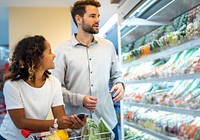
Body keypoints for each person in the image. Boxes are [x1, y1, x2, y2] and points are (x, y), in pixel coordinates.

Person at [51, 0, 125, 138]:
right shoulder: (63, 51)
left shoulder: (108, 47)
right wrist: (80, 99)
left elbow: (117, 74)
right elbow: (55, 90)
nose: (98, 20)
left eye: (98, 16)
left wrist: (120, 84)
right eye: (92, 16)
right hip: (77, 129)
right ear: (78, 19)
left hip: (107, 124)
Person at [0, 35, 86, 140]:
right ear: (35, 58)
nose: (54, 55)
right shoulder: (12, 85)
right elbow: (20, 122)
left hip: (34, 137)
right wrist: (56, 123)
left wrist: (72, 124)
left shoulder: (54, 83)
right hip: (9, 137)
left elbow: (60, 118)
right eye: (49, 52)